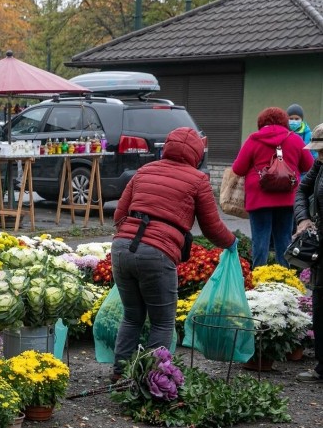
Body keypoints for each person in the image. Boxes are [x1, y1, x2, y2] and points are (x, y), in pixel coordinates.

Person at [111, 127, 236, 379]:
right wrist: (231, 242)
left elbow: (118, 215)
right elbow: (211, 227)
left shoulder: (144, 171)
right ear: (197, 154)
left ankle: (119, 374)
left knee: (133, 317)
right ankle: (151, 380)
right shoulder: (198, 180)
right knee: (161, 322)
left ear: (166, 147)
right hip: (157, 253)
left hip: (122, 248)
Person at [232, 107, 313, 268]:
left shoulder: (253, 140)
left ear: (261, 122)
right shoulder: (295, 139)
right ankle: (284, 280)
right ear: (285, 121)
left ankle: (259, 281)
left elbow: (238, 169)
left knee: (260, 241)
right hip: (287, 198)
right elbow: (308, 165)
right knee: (284, 239)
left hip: (259, 199)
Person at [294, 123, 323, 382]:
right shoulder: (320, 166)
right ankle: (321, 368)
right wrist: (304, 219)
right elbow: (302, 189)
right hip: (320, 244)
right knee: (319, 301)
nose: (319, 155)